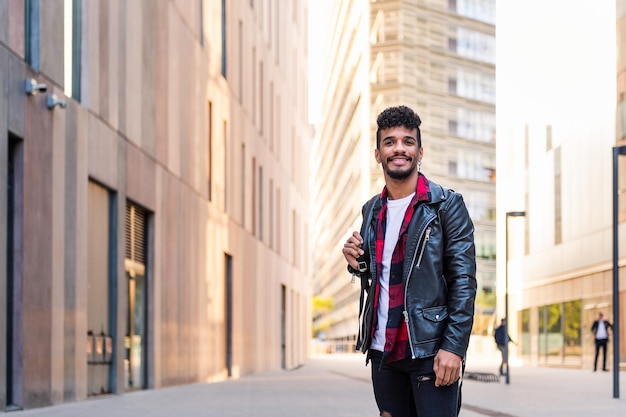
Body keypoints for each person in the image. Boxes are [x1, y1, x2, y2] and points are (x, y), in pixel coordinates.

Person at [342, 105, 477, 417]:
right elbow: (375, 273)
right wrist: (355, 263)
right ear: (378, 154)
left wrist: (454, 348)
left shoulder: (446, 205)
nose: (398, 148)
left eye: (407, 141)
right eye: (389, 142)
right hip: (383, 350)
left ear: (420, 151)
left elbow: (464, 283)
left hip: (431, 350)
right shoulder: (371, 210)